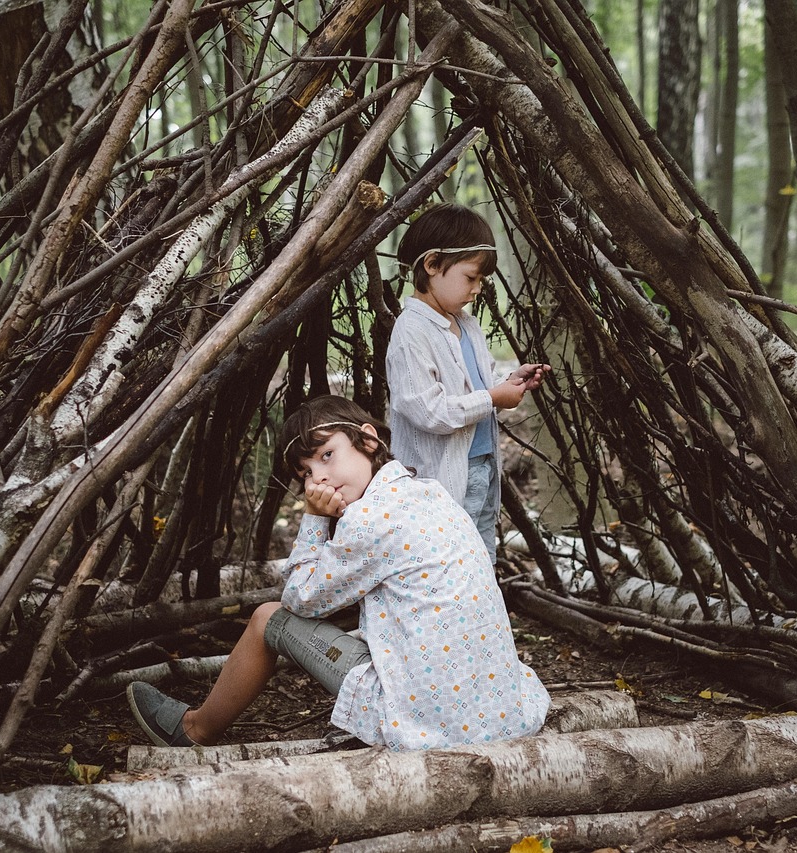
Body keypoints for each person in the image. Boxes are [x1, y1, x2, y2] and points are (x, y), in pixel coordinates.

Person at [127, 395, 549, 751]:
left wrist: (313, 519)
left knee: (266, 619)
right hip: (501, 709)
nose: (320, 478)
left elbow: (300, 598)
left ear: (368, 439)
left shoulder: (369, 518)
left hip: (439, 726)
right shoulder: (427, 491)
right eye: (307, 472)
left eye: (327, 455)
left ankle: (194, 730)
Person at [387, 203, 551, 561]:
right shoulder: (411, 333)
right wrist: (493, 397)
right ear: (431, 266)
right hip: (438, 482)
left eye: (481, 281)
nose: (477, 289)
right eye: (470, 278)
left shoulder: (464, 323)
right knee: (447, 564)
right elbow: (429, 412)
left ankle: (482, 616)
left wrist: (508, 381)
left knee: (479, 558)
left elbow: (476, 382)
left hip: (481, 465)